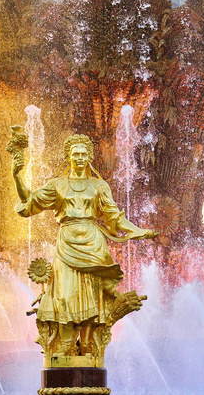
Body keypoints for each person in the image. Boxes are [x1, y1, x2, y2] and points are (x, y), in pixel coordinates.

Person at [12, 133, 157, 360]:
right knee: (65, 296)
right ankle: (65, 345)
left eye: (83, 154)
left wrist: (138, 231)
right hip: (67, 241)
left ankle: (89, 345)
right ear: (68, 157)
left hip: (93, 243)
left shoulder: (99, 186)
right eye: (75, 154)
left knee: (92, 295)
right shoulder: (58, 185)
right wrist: (16, 175)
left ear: (89, 157)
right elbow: (30, 201)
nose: (79, 157)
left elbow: (115, 217)